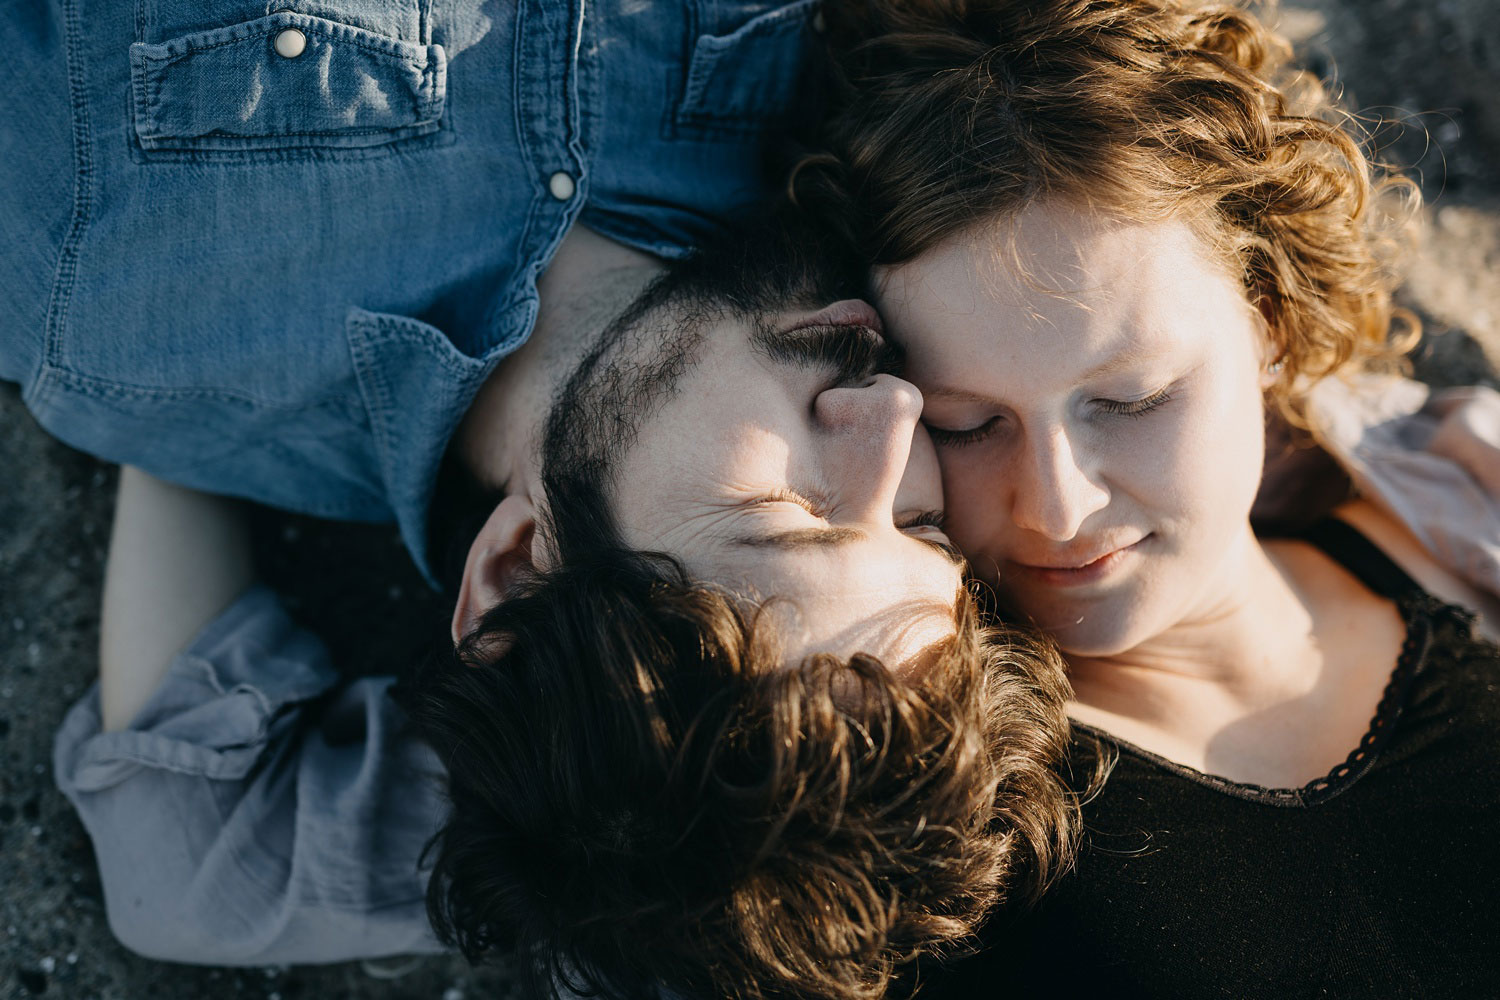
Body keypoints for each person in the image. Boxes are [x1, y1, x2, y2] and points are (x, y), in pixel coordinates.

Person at [0, 3, 1076, 997]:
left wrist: (176, 411)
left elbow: (194, 864)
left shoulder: (94, 275)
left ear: (518, 567)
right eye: (925, 526)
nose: (891, 411)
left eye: (790, 509)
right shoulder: (893, 148)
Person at [802, 0, 1500, 994]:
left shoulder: (1460, 513)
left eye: (1132, 399)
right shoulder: (955, 813)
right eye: (967, 425)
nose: (1056, 504)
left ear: (1265, 325)